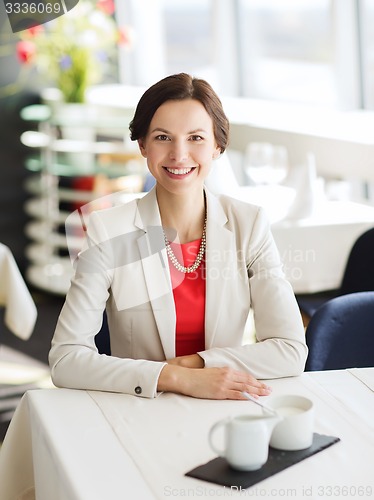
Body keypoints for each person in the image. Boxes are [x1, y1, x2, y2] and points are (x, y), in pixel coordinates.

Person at [49, 73, 307, 400]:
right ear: (142, 144)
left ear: (218, 145)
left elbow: (290, 349)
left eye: (196, 138)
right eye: (162, 137)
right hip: (141, 408)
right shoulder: (108, 230)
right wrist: (175, 378)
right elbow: (65, 358)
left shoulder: (249, 224)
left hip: (226, 405)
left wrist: (198, 364)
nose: (179, 154)